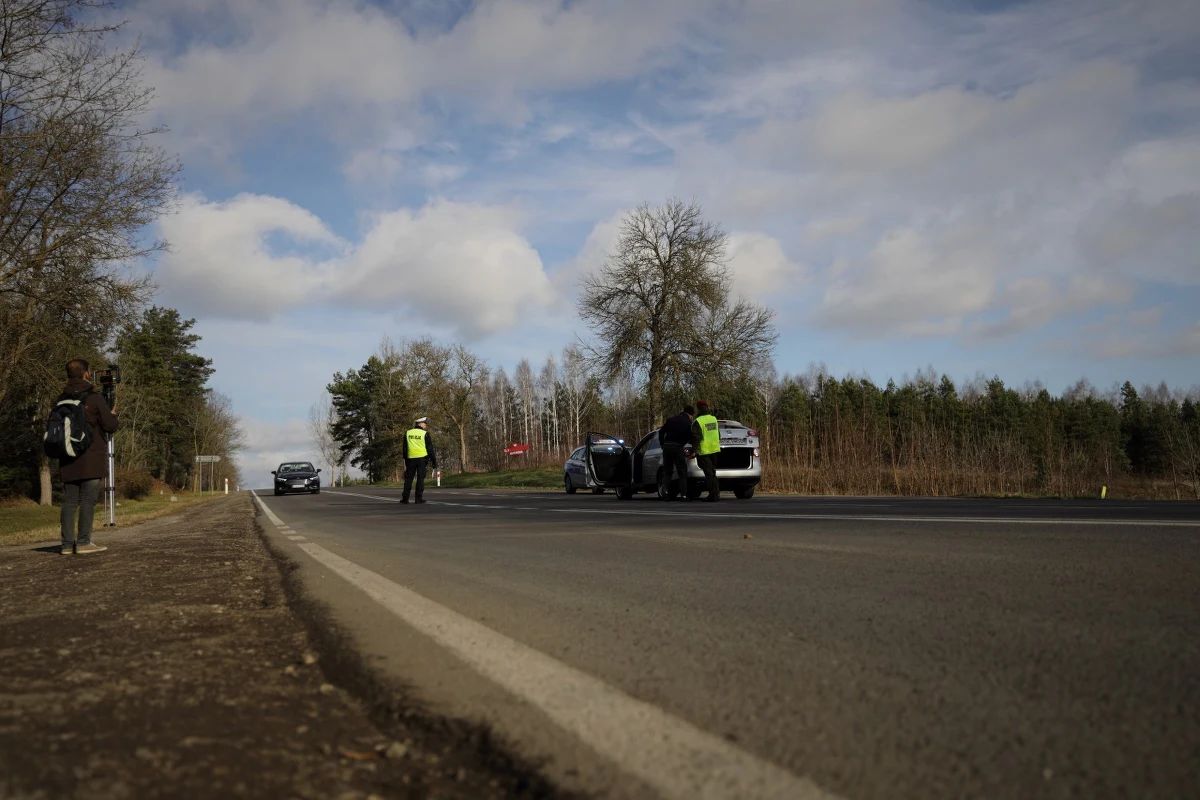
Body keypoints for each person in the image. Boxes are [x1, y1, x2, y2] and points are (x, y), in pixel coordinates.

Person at [56, 359, 119, 554]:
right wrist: (112, 413)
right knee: (87, 501)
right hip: (90, 457)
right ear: (86, 374)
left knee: (69, 502)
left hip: (67, 456)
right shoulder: (94, 397)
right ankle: (84, 542)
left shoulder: (60, 399)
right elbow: (111, 426)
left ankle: (66, 545)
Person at [657, 405, 694, 500]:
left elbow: (661, 431)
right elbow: (691, 438)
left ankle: (664, 491)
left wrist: (662, 444)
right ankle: (683, 495)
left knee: (668, 471)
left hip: (667, 447)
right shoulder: (687, 423)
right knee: (682, 471)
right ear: (690, 415)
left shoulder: (671, 419)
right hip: (677, 447)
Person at [401, 416, 438, 505]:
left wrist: (406, 459)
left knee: (408, 479)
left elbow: (404, 448)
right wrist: (434, 461)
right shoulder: (425, 434)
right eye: (425, 424)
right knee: (420, 479)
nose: (426, 426)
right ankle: (418, 498)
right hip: (422, 459)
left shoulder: (408, 433)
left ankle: (405, 498)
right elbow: (430, 449)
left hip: (410, 459)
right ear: (420, 424)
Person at [690, 400, 721, 502]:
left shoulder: (698, 421)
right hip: (715, 449)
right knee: (713, 472)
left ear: (698, 408)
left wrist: (694, 450)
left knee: (709, 474)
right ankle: (716, 494)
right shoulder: (714, 419)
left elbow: (696, 437)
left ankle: (713, 495)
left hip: (704, 451)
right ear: (707, 407)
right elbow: (718, 434)